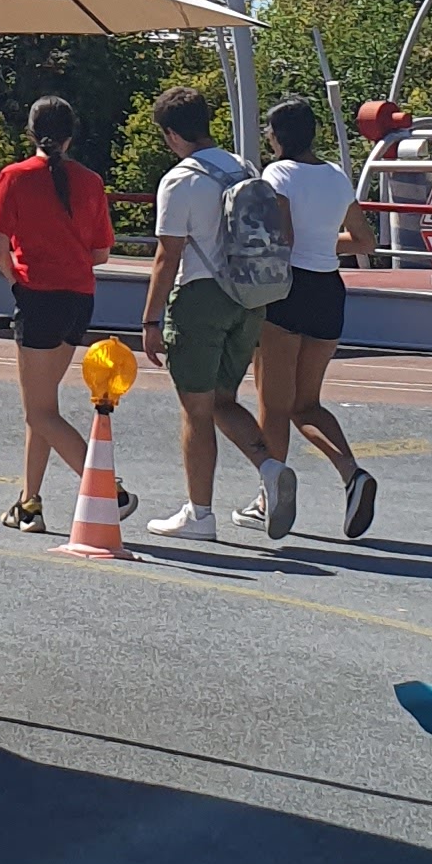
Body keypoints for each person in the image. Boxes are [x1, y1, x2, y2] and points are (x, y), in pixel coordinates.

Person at [0, 93, 132, 533]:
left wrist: (17, 282)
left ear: (30, 132)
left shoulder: (14, 177)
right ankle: (29, 503)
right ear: (71, 135)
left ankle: (108, 488)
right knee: (42, 405)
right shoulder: (91, 181)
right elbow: (101, 253)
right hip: (78, 298)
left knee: (40, 412)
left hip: (38, 296)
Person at [137, 84, 281, 545]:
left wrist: (151, 320)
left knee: (195, 410)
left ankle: (199, 514)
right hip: (249, 297)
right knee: (223, 400)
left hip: (201, 298)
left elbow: (168, 255)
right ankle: (270, 467)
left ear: (172, 134)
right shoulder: (243, 166)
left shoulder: (180, 179)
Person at [246, 98, 379, 541]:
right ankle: (351, 472)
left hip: (288, 289)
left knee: (273, 404)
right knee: (306, 404)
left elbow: (279, 236)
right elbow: (364, 241)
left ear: (277, 135)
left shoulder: (277, 174)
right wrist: (321, 241)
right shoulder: (336, 176)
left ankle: (268, 497)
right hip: (328, 289)